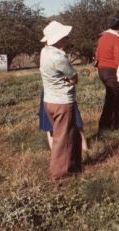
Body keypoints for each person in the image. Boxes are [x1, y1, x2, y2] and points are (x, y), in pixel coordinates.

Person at [39, 21, 82, 181]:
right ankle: (59, 176)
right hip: (62, 102)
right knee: (62, 138)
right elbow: (74, 77)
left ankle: (74, 166)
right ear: (59, 38)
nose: (67, 37)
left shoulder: (44, 53)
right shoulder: (59, 57)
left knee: (71, 134)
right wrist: (70, 78)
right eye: (65, 35)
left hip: (49, 100)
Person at [95, 16, 119, 132]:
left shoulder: (102, 37)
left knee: (111, 97)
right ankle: (110, 126)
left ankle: (111, 125)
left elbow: (97, 54)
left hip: (102, 70)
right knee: (114, 98)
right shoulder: (116, 39)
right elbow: (118, 58)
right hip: (111, 70)